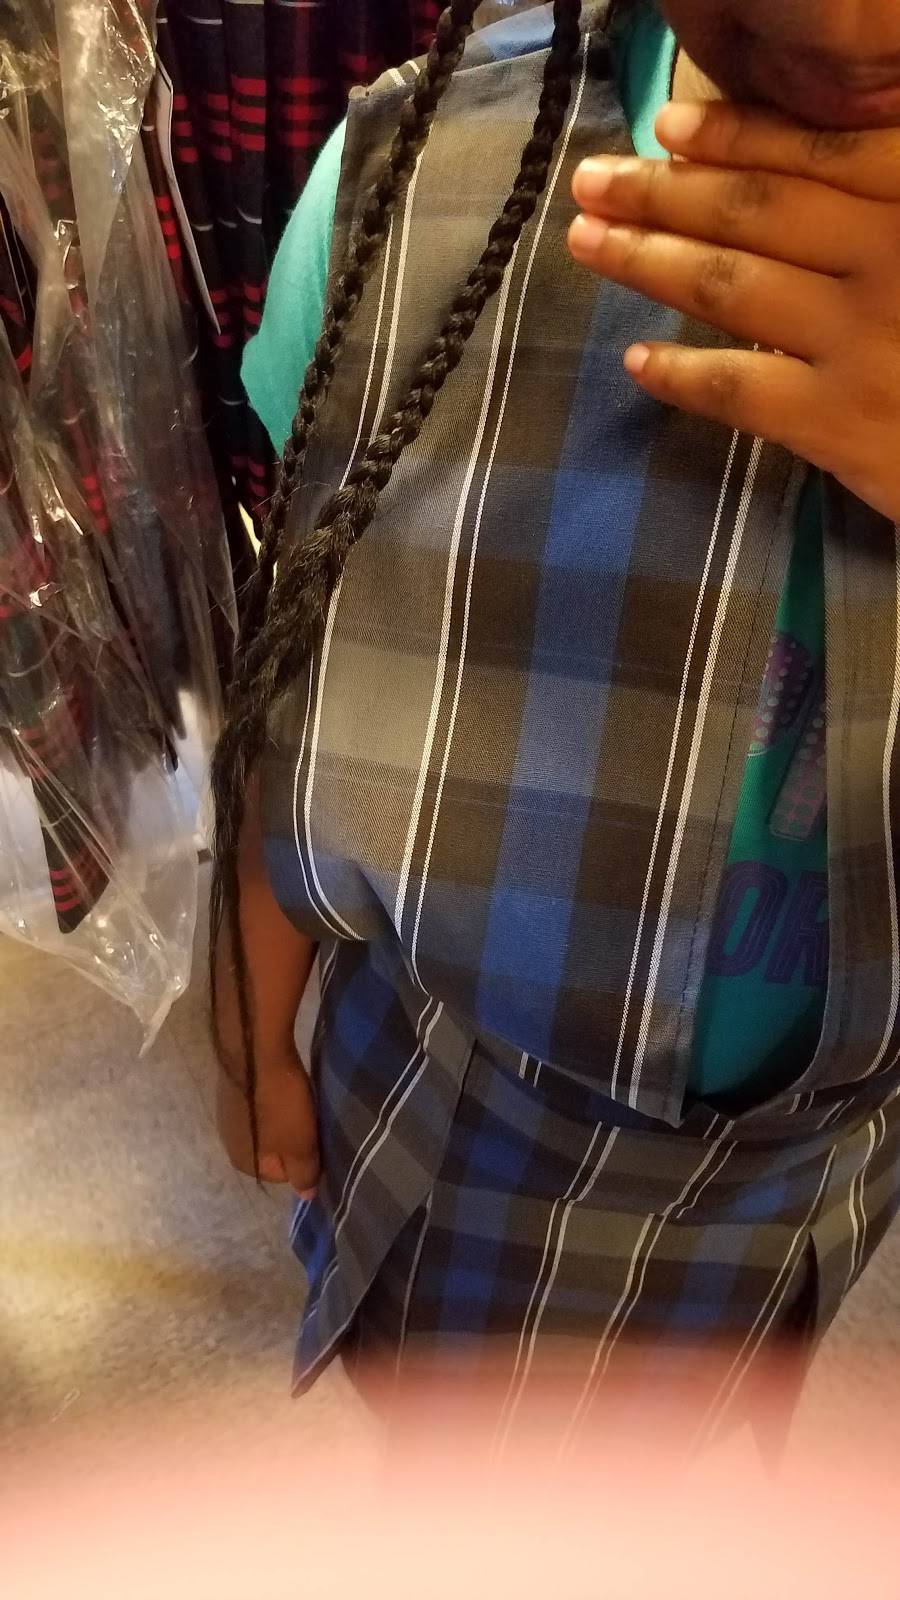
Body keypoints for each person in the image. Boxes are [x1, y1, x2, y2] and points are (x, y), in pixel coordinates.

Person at [211, 0, 900, 1445]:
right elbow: (295, 686)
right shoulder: (414, 179)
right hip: (455, 1150)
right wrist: (248, 1028)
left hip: (812, 1183)